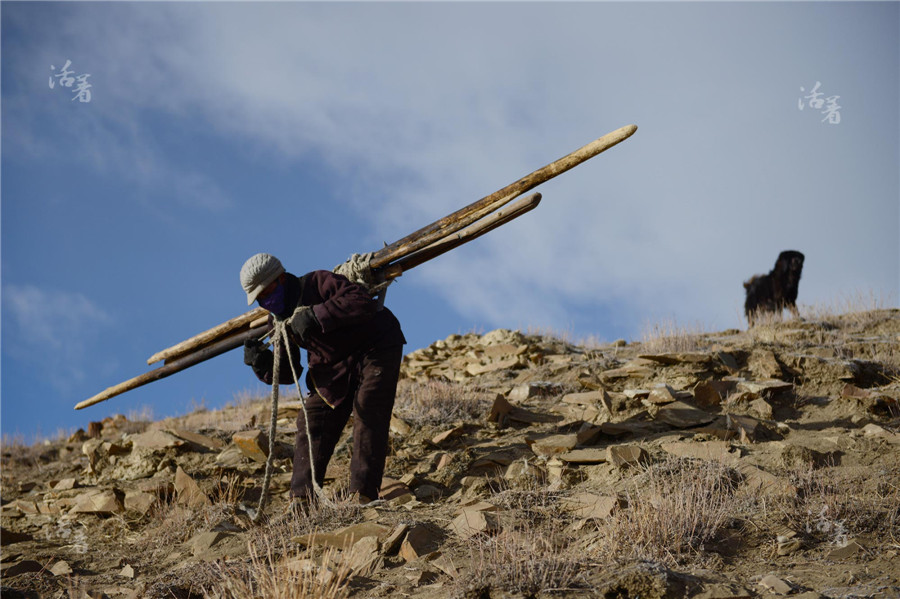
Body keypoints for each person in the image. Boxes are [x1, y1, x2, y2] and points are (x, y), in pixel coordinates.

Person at [239, 252, 406, 505]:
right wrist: (260, 363)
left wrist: (317, 315)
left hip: (375, 347)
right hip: (333, 370)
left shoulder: (318, 282)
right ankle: (302, 501)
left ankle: (362, 494)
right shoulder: (277, 321)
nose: (265, 300)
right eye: (258, 298)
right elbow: (287, 372)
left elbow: (361, 301)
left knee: (369, 409)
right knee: (311, 421)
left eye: (266, 291)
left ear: (281, 278)